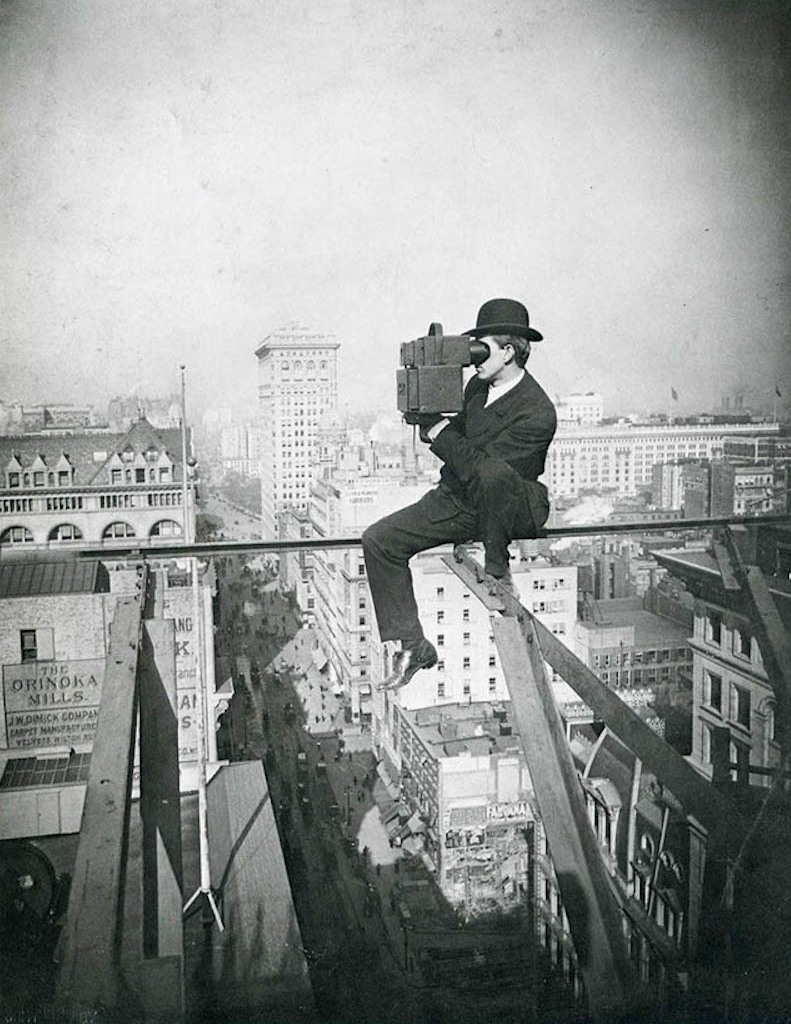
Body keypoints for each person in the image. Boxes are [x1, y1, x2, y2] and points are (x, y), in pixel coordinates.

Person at [362, 297, 557, 691]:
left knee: (493, 476)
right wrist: (425, 411)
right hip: (460, 497)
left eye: (481, 348)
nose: (474, 358)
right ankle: (413, 645)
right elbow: (463, 457)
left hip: (506, 506)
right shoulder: (476, 388)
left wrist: (436, 429)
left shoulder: (537, 411)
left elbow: (486, 471)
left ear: (508, 351)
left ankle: (497, 567)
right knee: (379, 540)